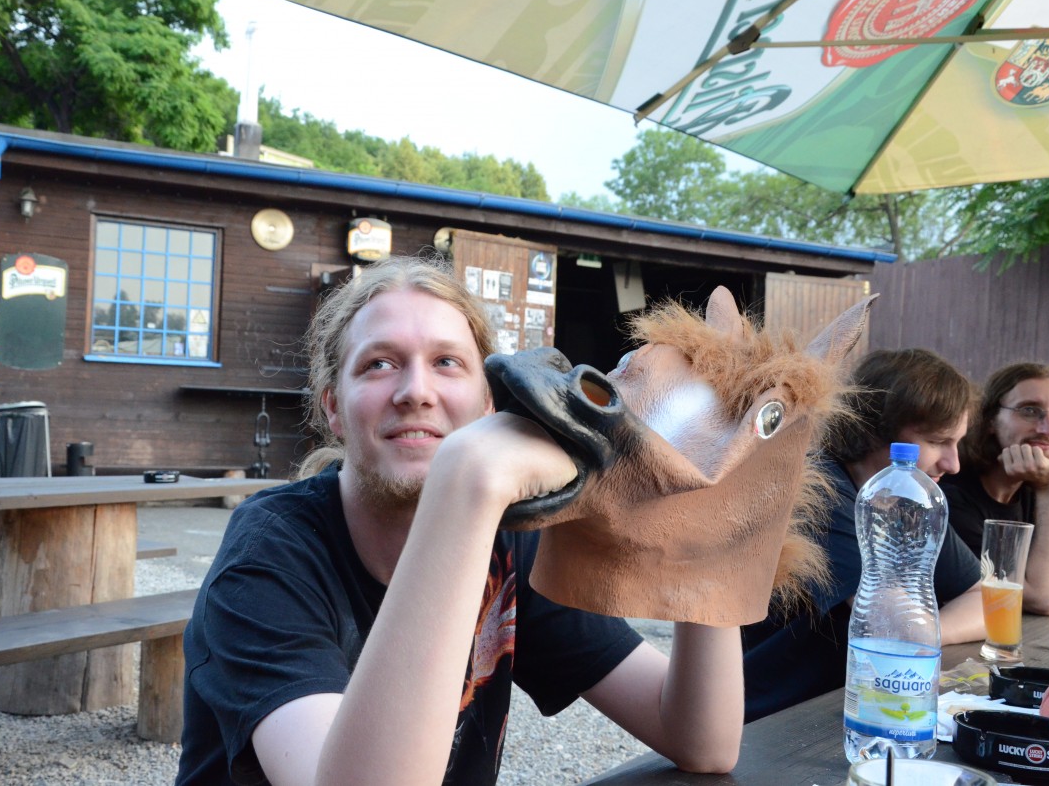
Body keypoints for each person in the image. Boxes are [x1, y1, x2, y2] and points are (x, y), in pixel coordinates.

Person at [175, 254, 744, 786]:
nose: (415, 392)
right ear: (333, 409)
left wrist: (706, 520)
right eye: (379, 364)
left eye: (446, 362)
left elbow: (702, 740)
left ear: (487, 404)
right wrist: (467, 482)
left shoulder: (511, 546)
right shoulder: (268, 556)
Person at [741, 348, 985, 723]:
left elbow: (983, 603)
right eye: (938, 441)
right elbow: (888, 623)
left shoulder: (905, 495)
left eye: (958, 442)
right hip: (770, 720)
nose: (953, 464)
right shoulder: (817, 490)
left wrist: (923, 634)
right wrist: (920, 633)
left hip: (847, 703)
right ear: (877, 429)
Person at [941, 362, 1049, 614]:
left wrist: (1046, 587)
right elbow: (1043, 600)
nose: (1048, 429)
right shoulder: (951, 494)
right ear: (990, 419)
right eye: (1029, 410)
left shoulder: (1040, 487)